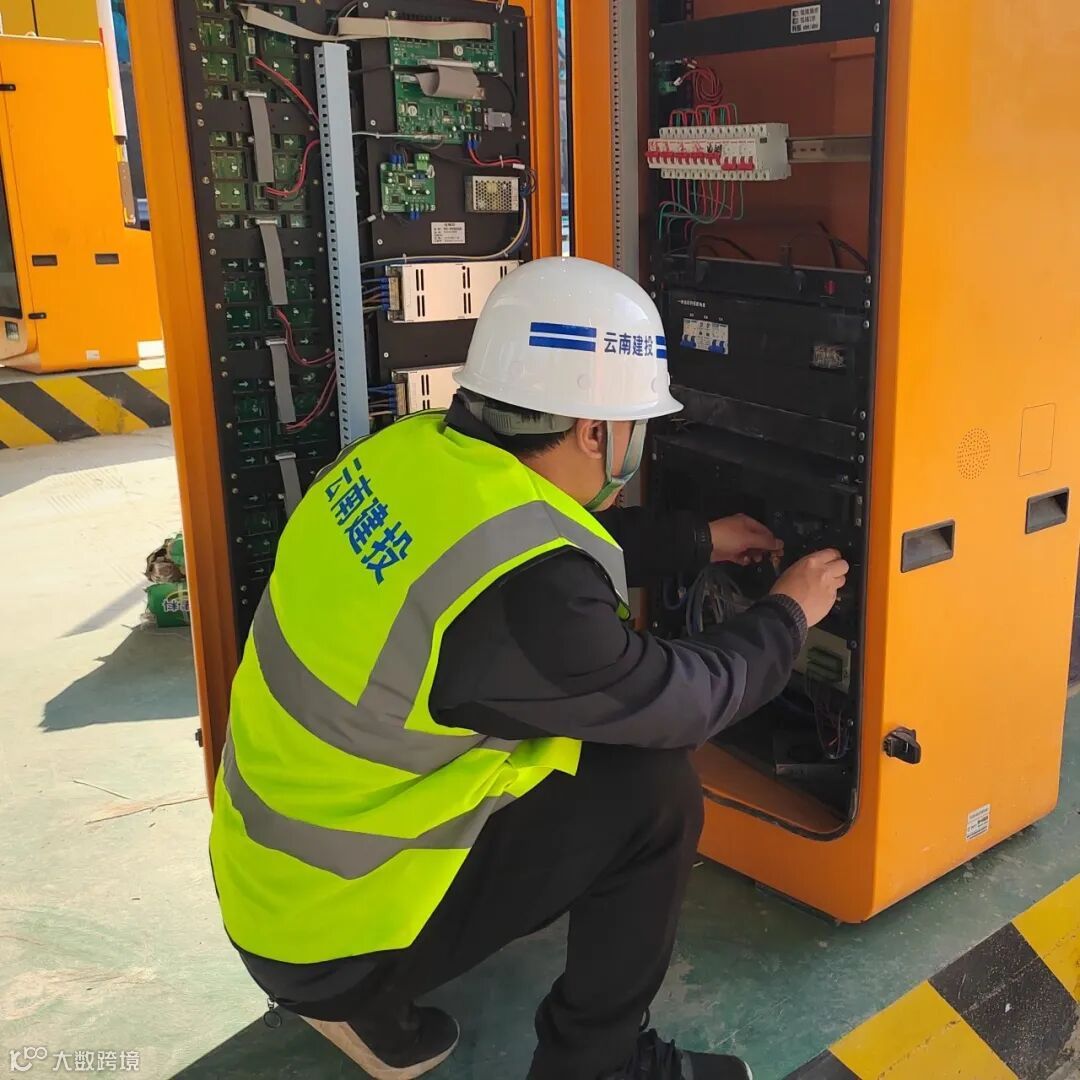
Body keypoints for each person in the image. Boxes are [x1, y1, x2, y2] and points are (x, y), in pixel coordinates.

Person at [210, 257, 849, 1080]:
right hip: (337, 937)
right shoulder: (527, 596)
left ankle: (364, 1007)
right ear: (594, 432)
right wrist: (790, 613)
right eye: (635, 423)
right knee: (650, 793)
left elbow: (522, 547)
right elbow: (683, 700)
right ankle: (599, 1067)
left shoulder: (406, 456)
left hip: (271, 890)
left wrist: (696, 540)